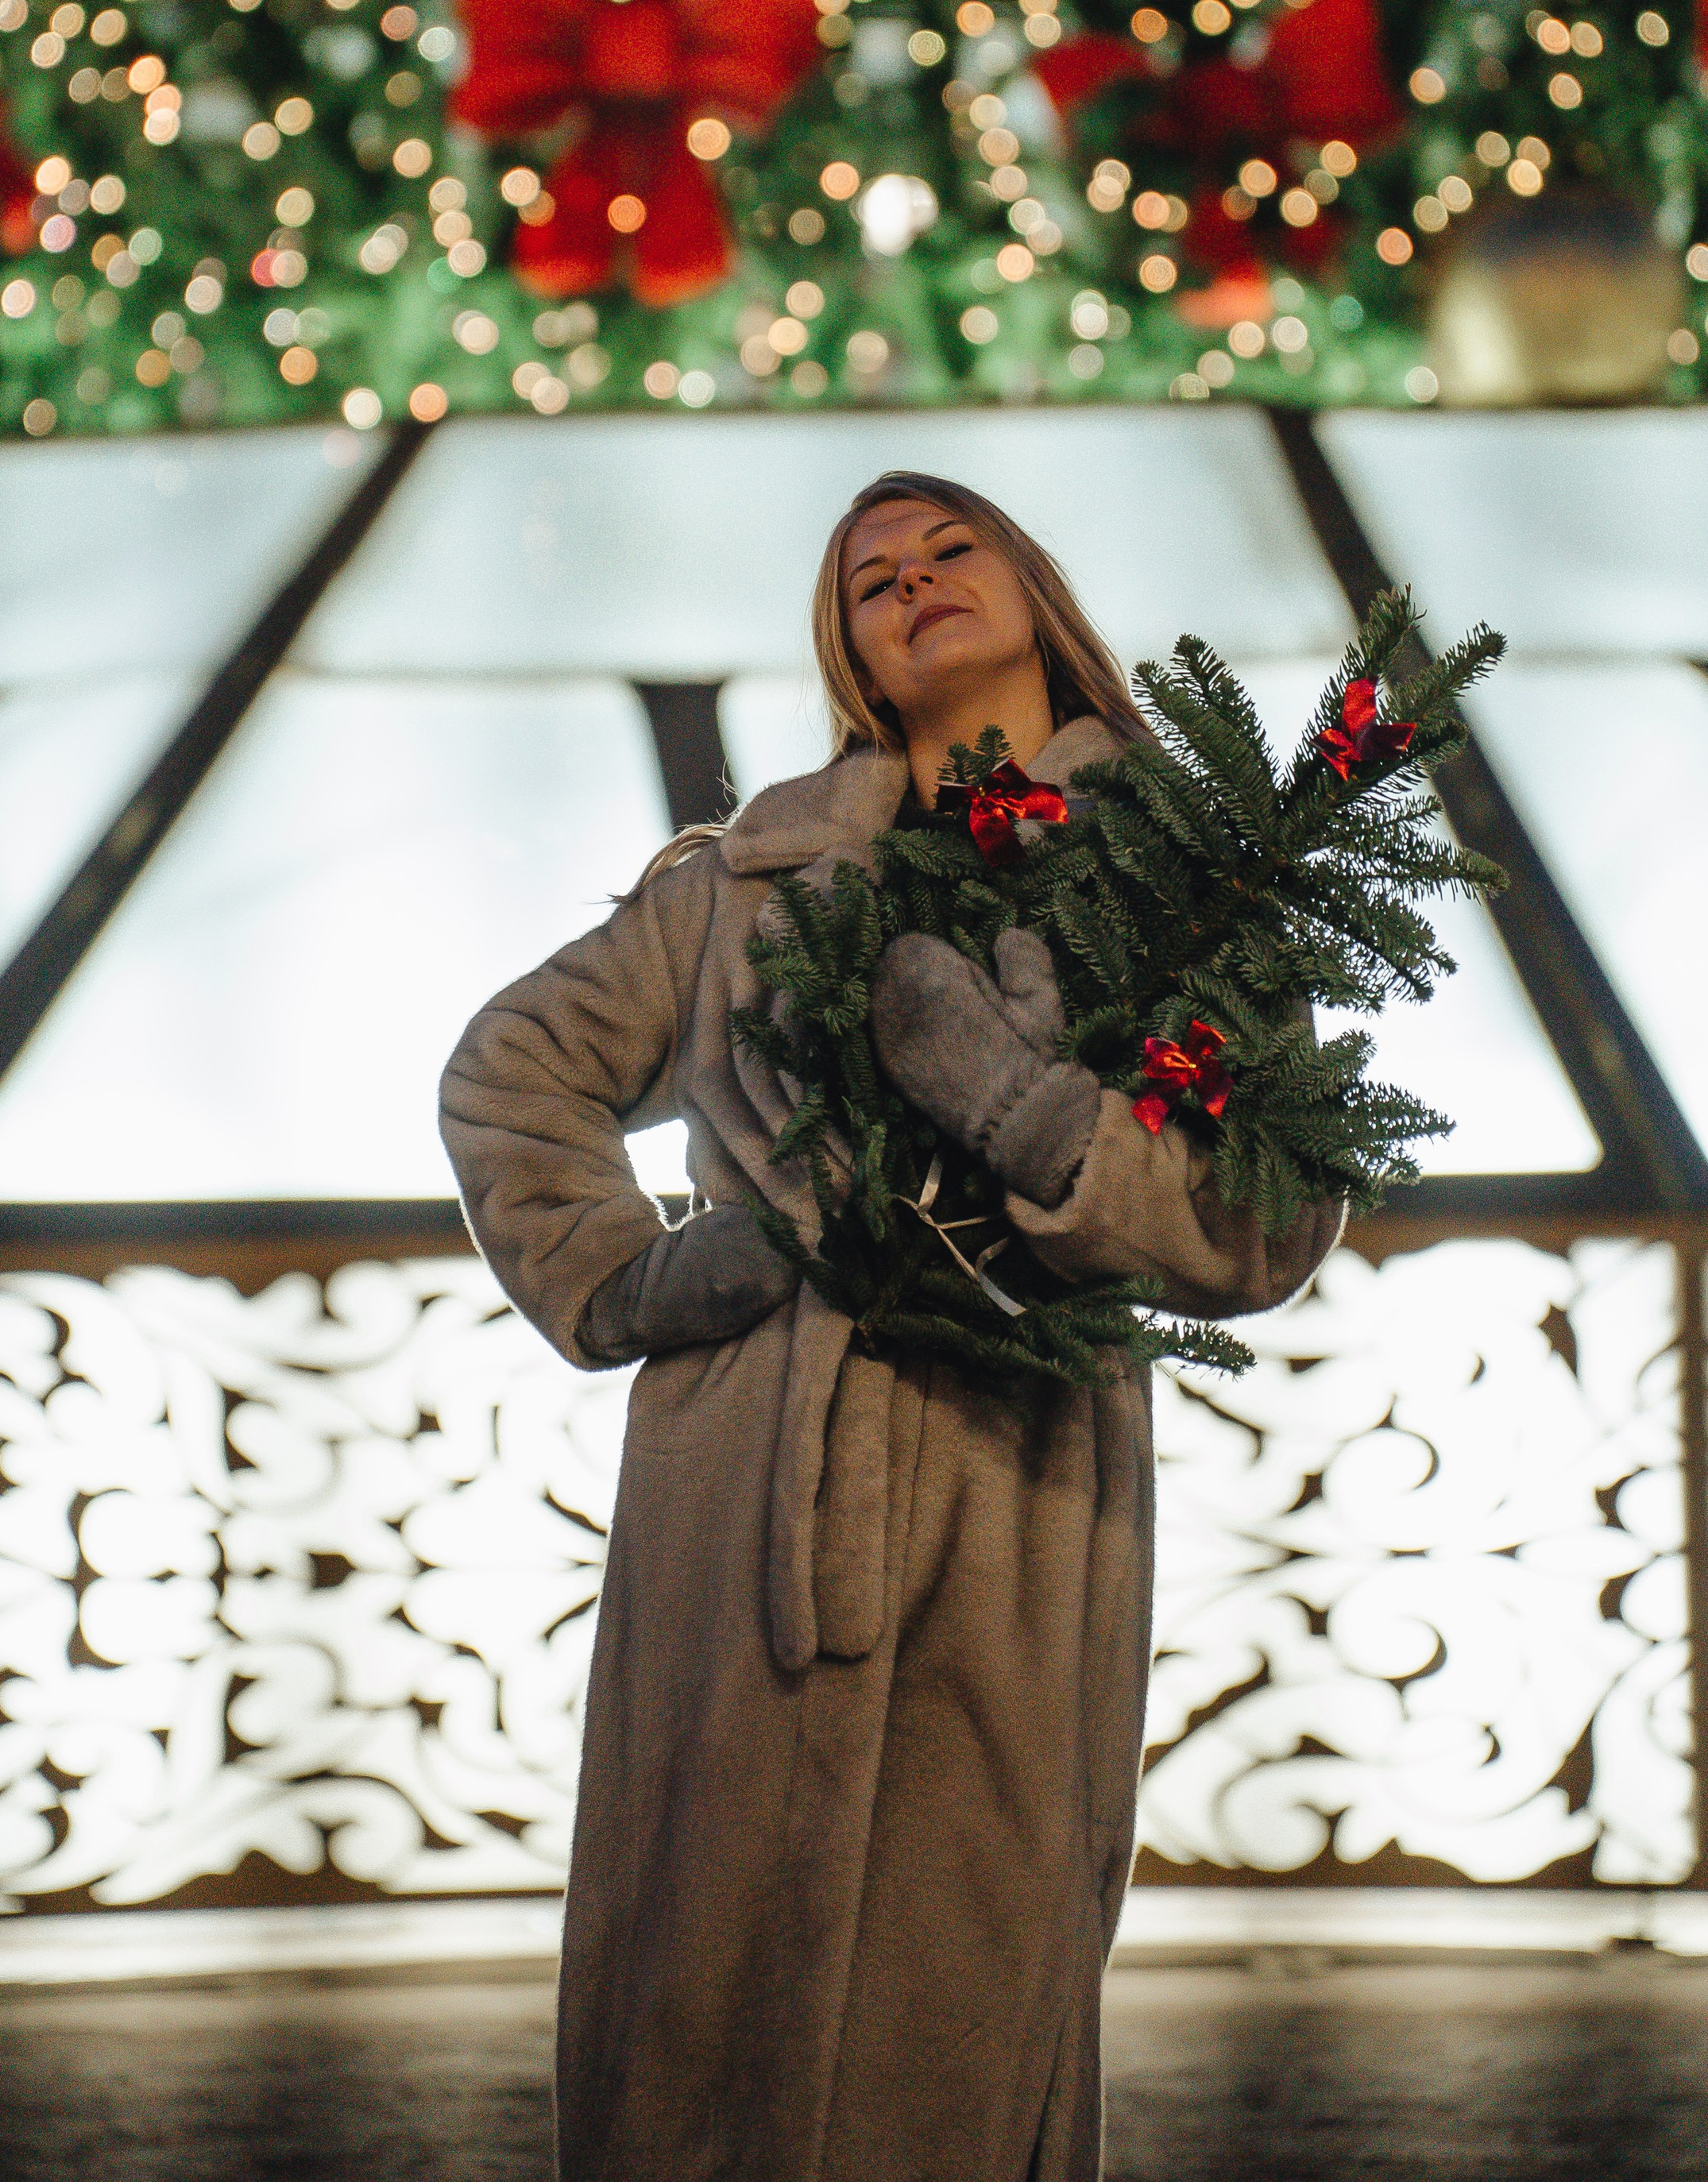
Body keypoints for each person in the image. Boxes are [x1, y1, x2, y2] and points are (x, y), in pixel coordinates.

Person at [441, 471, 1342, 2182]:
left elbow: (1267, 1204)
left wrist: (1023, 1115)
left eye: (950, 551)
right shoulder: (736, 890)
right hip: (748, 1480)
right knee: (694, 1977)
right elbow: (510, 1073)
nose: (912, 582)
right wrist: (633, 1276)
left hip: (1020, 1481)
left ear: (1035, 594)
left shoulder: (1174, 885)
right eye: (870, 580)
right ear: (846, 657)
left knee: (969, 1974)